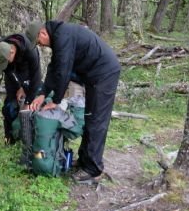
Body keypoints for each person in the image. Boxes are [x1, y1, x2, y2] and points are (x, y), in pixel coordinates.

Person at [27, 20, 120, 183]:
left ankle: (92, 169)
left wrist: (56, 101)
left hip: (104, 73)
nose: (40, 46)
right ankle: (85, 161)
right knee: (90, 117)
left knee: (97, 120)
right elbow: (53, 68)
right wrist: (43, 93)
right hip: (94, 75)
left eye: (39, 42)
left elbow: (64, 71)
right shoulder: (59, 36)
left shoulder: (63, 36)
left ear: (42, 33)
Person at [0, 30, 42, 144]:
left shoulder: (31, 50)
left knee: (28, 110)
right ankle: (9, 141)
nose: (5, 64)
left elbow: (36, 78)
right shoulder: (2, 48)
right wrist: (18, 87)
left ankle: (28, 142)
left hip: (29, 75)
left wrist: (27, 102)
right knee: (8, 108)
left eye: (6, 61)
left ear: (12, 52)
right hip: (13, 75)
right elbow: (8, 70)